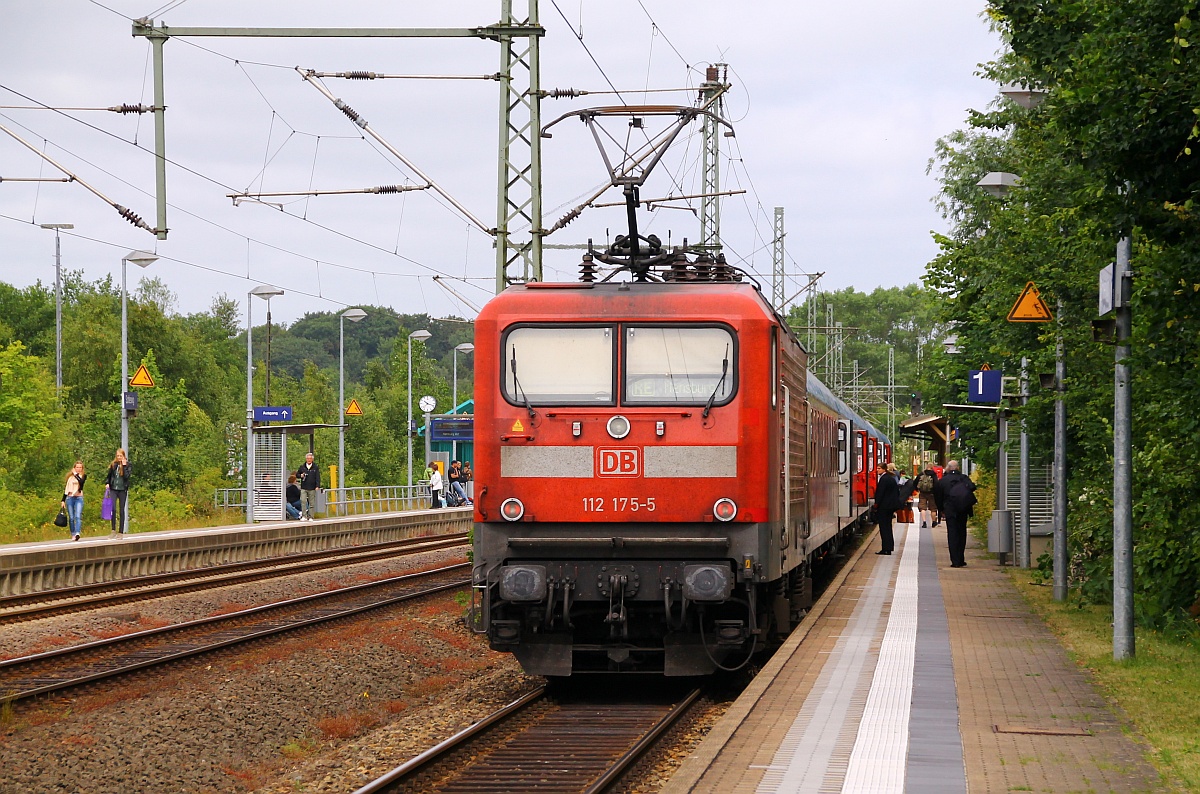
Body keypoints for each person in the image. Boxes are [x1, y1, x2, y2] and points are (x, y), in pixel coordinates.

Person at [934, 460, 978, 568]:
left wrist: (941, 509)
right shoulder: (964, 478)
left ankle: (955, 560)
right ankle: (961, 558)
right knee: (962, 533)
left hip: (950, 510)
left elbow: (938, 496)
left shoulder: (943, 481)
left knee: (952, 534)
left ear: (948, 468)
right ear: (958, 468)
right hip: (963, 509)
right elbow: (973, 487)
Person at [873, 462, 901, 555]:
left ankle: (885, 548)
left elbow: (880, 493)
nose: (877, 470)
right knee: (888, 527)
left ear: (884, 469)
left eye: (879, 468)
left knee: (884, 527)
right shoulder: (891, 478)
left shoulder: (884, 479)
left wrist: (876, 504)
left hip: (884, 507)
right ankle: (889, 547)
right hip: (890, 506)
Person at [104, 449, 132, 536]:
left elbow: (127, 476)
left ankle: (120, 531)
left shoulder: (128, 465)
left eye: (121, 456)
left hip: (122, 489)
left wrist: (124, 466)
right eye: (118, 456)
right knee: (113, 508)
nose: (119, 457)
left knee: (121, 510)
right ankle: (113, 530)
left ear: (124, 456)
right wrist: (107, 483)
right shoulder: (113, 465)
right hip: (113, 489)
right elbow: (109, 476)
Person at [62, 461, 86, 541]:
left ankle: (77, 533)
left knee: (77, 516)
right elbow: (66, 489)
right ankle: (73, 533)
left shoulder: (83, 476)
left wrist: (76, 474)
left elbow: (81, 483)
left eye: (80, 467)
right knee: (71, 517)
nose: (78, 469)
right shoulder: (70, 478)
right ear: (74, 468)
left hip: (79, 498)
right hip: (70, 497)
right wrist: (63, 500)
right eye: (77, 467)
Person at [295, 452, 321, 520]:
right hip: (304, 486)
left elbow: (317, 477)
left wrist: (317, 485)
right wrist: (301, 475)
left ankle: (311, 516)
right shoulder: (302, 467)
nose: (309, 460)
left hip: (312, 487)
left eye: (310, 458)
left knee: (311, 502)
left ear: (312, 459)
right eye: (308, 458)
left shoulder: (315, 467)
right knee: (303, 501)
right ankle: (304, 516)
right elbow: (297, 475)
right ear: (306, 459)